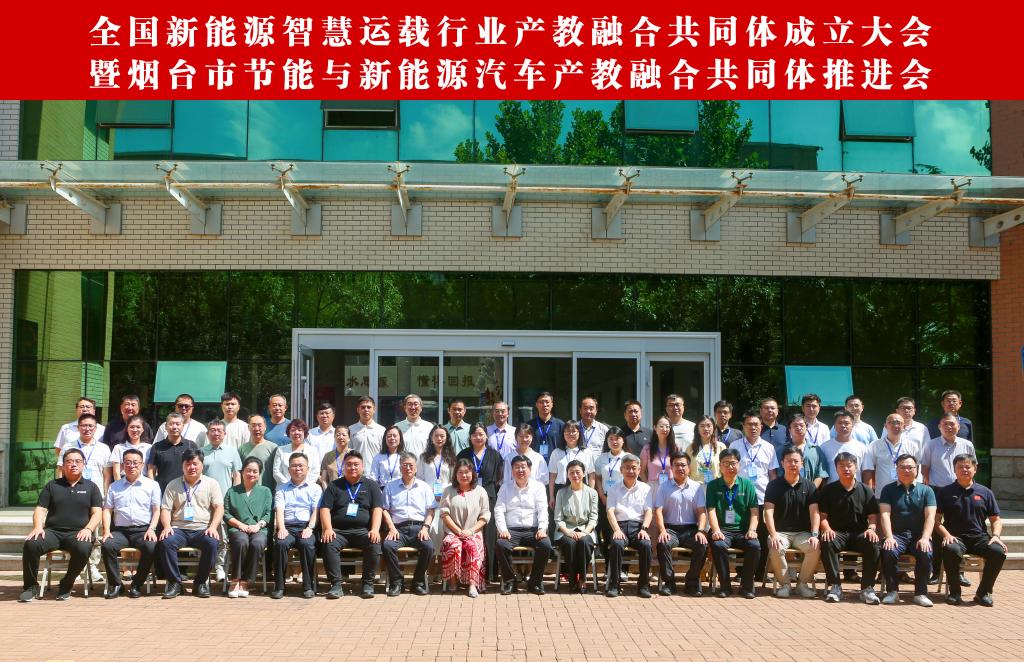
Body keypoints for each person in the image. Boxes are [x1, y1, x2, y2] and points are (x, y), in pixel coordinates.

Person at [19, 448, 102, 603]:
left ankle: (66, 583)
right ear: (63, 466)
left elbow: (97, 513)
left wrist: (88, 529)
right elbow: (40, 509)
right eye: (69, 461)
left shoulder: (91, 487)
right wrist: (38, 527)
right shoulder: (52, 485)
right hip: (53, 532)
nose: (73, 464)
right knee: (31, 544)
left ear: (83, 464)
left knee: (83, 548)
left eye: (77, 461)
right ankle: (30, 587)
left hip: (78, 533)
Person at [935, 454, 1007, 606]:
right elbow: (936, 521)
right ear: (954, 470)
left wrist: (996, 536)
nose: (964, 470)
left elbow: (996, 519)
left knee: (998, 552)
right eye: (960, 467)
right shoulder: (945, 492)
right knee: (951, 550)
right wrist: (946, 535)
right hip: (955, 537)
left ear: (975, 469)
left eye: (968, 467)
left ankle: (983, 593)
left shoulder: (985, 492)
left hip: (979, 537)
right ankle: (954, 593)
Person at [817, 451, 882, 604]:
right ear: (836, 469)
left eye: (849, 465)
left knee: (873, 543)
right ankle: (835, 587)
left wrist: (871, 529)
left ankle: (867, 588)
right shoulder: (828, 490)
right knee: (826, 541)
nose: (846, 469)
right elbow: (822, 516)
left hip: (859, 533)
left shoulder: (866, 490)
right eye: (841, 466)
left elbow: (873, 516)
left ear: (856, 467)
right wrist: (827, 529)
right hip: (837, 533)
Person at [158, 449, 224, 599]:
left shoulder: (211, 483)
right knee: (166, 541)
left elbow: (219, 507)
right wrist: (167, 527)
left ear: (202, 465)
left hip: (202, 529)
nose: (191, 467)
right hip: (178, 529)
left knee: (212, 542)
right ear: (182, 466)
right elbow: (166, 509)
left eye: (195, 463)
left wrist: (213, 527)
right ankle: (175, 583)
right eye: (188, 464)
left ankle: (200, 583)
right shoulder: (173, 484)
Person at [319, 451, 383, 599]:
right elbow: (325, 509)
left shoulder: (372, 485)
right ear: (343, 467)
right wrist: (327, 529)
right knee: (328, 543)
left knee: (374, 544)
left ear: (362, 467)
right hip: (339, 532)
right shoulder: (334, 486)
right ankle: (336, 585)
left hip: (363, 531)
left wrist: (375, 529)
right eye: (349, 464)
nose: (352, 467)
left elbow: (377, 509)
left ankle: (367, 584)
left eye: (356, 464)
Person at [99, 447, 160, 599]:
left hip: (143, 530)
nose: (132, 466)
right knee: (107, 545)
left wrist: (151, 529)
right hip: (120, 531)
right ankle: (116, 584)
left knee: (150, 546)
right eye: (128, 462)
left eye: (135, 462)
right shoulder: (115, 486)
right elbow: (107, 510)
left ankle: (137, 584)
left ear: (142, 464)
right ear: (122, 465)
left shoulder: (152, 485)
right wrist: (106, 531)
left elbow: (156, 510)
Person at [57, 412, 110, 583]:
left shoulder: (103, 448)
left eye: (90, 426)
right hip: (71, 495)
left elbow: (107, 474)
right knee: (70, 530)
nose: (87, 429)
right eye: (84, 425)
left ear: (96, 429)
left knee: (94, 533)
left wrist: (105, 494)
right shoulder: (68, 446)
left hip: (95, 496)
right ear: (78, 427)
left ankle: (93, 566)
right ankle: (74, 566)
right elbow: (60, 470)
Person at [878, 454, 936, 606]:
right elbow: (885, 514)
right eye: (902, 467)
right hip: (897, 535)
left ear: (917, 469)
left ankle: (921, 593)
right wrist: (889, 537)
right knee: (888, 550)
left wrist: (925, 537)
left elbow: (930, 516)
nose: (906, 470)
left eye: (910, 467)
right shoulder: (888, 490)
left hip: (919, 535)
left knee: (926, 552)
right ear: (896, 469)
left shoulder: (927, 490)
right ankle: (892, 592)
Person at [762, 447, 820, 598]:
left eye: (796, 461)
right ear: (782, 463)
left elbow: (814, 513)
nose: (792, 464)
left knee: (815, 546)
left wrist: (814, 534)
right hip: (780, 533)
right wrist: (773, 535)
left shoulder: (809, 486)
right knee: (775, 545)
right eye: (788, 461)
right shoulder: (773, 485)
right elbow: (768, 512)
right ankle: (785, 585)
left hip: (803, 533)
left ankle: (802, 584)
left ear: (802, 463)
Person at [705, 448, 761, 598]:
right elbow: (711, 510)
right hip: (722, 530)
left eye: (733, 463)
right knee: (718, 545)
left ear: (739, 464)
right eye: (726, 463)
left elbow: (754, 511)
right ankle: (725, 586)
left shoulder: (748, 485)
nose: (730, 466)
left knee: (755, 546)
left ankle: (747, 586)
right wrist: (716, 530)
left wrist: (752, 530)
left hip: (743, 531)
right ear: (720, 466)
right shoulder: (713, 485)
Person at [494, 454, 553, 595]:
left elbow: (542, 510)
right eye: (516, 467)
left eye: (523, 467)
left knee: (545, 545)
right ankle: (510, 581)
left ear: (530, 469)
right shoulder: (505, 487)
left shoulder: (538, 487)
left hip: (532, 530)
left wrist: (542, 528)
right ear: (512, 470)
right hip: (511, 530)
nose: (520, 470)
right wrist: (502, 529)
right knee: (501, 544)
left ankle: (535, 582)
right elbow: (498, 510)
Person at [382, 452, 436, 596]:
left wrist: (425, 528)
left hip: (419, 528)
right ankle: (397, 582)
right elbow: (384, 509)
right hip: (398, 529)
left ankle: (417, 582)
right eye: (404, 465)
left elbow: (431, 510)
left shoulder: (424, 487)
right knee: (387, 546)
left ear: (416, 468)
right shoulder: (390, 486)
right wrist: (391, 528)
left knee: (429, 547)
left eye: (411, 465)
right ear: (400, 467)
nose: (408, 468)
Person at [654, 452, 708, 596]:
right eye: (676, 465)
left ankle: (692, 582)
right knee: (663, 543)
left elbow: (702, 512)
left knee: (702, 543)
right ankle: (669, 583)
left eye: (683, 465)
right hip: (670, 529)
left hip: (691, 530)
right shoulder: (663, 487)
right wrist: (662, 531)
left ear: (689, 468)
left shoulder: (697, 487)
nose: (680, 468)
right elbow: (658, 511)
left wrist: (701, 531)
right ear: (671, 468)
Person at [456, 423, 503, 583]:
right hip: (467, 496)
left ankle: (489, 574)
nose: (478, 437)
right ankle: (466, 574)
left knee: (489, 535)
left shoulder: (494, 455)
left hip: (489, 497)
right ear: (470, 437)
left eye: (481, 434)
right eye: (475, 434)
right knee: (468, 531)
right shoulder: (463, 454)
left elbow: (499, 478)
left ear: (486, 436)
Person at [271, 452, 322, 599]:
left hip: (306, 526)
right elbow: (279, 510)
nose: (297, 469)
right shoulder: (281, 488)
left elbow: (316, 511)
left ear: (307, 468)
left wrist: (310, 528)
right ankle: (279, 587)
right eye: (294, 466)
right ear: (288, 469)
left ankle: (308, 586)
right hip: (287, 526)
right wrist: (281, 528)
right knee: (280, 544)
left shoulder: (315, 488)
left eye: (301, 465)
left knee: (307, 544)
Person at [440, 459, 491, 598]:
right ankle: (453, 582)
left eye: (467, 472)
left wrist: (471, 531)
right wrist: (458, 531)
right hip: (453, 532)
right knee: (452, 544)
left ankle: (472, 584)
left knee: (472, 546)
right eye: (460, 472)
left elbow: (485, 515)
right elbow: (444, 514)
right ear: (455, 474)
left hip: (473, 532)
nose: (464, 475)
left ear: (473, 473)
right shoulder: (448, 491)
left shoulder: (480, 491)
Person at [605, 453, 653, 598]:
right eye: (627, 468)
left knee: (646, 545)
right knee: (617, 544)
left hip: (638, 527)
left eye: (633, 468)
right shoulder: (613, 489)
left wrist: (644, 529)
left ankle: (644, 585)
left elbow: (649, 511)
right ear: (621, 470)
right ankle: (614, 585)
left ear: (639, 470)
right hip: (619, 526)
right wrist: (616, 530)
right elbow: (610, 511)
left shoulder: (646, 488)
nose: (630, 471)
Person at [200, 419, 241, 583]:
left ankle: (220, 567)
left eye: (219, 431)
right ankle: (205, 569)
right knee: (205, 535)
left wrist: (235, 497)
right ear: (207, 433)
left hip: (224, 501)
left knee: (223, 537)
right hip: (203, 502)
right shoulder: (201, 452)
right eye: (213, 430)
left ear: (224, 434)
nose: (216, 433)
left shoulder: (232, 451)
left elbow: (236, 476)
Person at [223, 457, 272, 598]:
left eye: (255, 471)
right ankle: (235, 580)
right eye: (248, 470)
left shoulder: (265, 491)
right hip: (237, 528)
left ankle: (245, 580)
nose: (251, 474)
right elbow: (226, 513)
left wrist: (258, 525)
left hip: (258, 528)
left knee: (257, 543)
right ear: (242, 472)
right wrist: (240, 525)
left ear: (259, 474)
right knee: (241, 541)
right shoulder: (232, 491)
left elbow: (268, 513)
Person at [554, 460, 599, 593]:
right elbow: (558, 518)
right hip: (566, 530)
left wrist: (585, 532)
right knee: (570, 543)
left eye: (578, 472)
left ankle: (582, 580)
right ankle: (572, 580)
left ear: (584, 473)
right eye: (571, 472)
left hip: (586, 529)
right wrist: (568, 532)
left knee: (584, 542)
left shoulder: (592, 493)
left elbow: (593, 518)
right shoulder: (561, 492)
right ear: (567, 475)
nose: (575, 475)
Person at [418, 425, 457, 557]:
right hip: (428, 499)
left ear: (446, 438)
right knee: (430, 531)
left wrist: (444, 492)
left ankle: (441, 566)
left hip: (445, 499)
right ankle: (429, 567)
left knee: (442, 532)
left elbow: (453, 479)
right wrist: (430, 492)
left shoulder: (451, 457)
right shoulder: (423, 457)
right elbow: (420, 478)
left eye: (442, 436)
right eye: (436, 436)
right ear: (431, 438)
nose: (439, 439)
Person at [863, 412, 922, 498]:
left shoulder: (912, 446)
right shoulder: (875, 445)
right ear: (885, 426)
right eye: (892, 422)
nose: (896, 425)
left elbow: (917, 469)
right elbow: (868, 470)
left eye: (899, 423)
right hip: (882, 494)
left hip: (906, 494)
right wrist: (869, 493)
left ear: (904, 426)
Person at [728, 411, 779, 504]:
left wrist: (773, 495)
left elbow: (772, 474)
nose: (753, 427)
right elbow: (729, 471)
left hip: (763, 497)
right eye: (749, 424)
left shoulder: (769, 447)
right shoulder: (734, 446)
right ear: (743, 426)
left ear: (761, 426)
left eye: (756, 424)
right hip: (739, 496)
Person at [594, 427, 628, 560]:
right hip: (605, 499)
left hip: (623, 500)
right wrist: (602, 496)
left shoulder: (628, 457)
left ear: (623, 440)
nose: (614, 442)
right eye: (611, 439)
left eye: (617, 438)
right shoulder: (602, 458)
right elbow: (598, 478)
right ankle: (608, 564)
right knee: (606, 532)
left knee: (621, 532)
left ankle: (623, 567)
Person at [147, 412, 200, 493]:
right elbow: (151, 470)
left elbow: (198, 468)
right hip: (163, 491)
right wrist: (154, 490)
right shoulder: (157, 447)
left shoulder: (191, 445)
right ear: (165, 427)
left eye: (178, 424)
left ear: (183, 426)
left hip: (186, 491)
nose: (175, 427)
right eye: (171, 424)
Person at [548, 420, 596, 507]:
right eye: (567, 431)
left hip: (582, 489)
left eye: (574, 431)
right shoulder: (556, 452)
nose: (570, 434)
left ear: (579, 433)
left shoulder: (587, 452)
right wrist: (551, 496)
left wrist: (591, 494)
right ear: (563, 434)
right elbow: (552, 476)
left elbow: (591, 475)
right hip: (561, 489)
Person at [820, 410, 867, 484]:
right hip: (831, 489)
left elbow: (867, 472)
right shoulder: (824, 447)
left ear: (852, 426)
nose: (843, 426)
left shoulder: (862, 447)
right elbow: (821, 473)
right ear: (834, 426)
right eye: (840, 423)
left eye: (846, 423)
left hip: (855, 489)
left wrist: (866, 490)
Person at [272, 419, 321, 488]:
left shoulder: (313, 451)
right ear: (288, 433)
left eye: (300, 430)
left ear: (304, 433)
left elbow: (315, 472)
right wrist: (289, 485)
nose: (296, 432)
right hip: (285, 488)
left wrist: (303, 485)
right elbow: (276, 471)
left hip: (307, 488)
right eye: (293, 430)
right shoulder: (281, 450)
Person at [785, 414, 828, 488]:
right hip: (787, 491)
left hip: (810, 491)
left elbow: (820, 474)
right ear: (789, 430)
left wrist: (811, 490)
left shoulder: (816, 450)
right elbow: (779, 473)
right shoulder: (782, 449)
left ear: (806, 428)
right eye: (795, 426)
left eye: (801, 425)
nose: (799, 428)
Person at [238, 415, 277, 491]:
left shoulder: (273, 448)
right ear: (248, 427)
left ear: (265, 427)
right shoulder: (242, 449)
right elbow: (238, 473)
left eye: (259, 425)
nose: (256, 429)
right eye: (253, 425)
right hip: (246, 492)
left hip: (267, 492)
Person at [110, 414, 152, 482]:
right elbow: (116, 473)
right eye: (132, 427)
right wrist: (119, 486)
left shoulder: (149, 448)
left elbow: (151, 470)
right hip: (123, 482)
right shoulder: (118, 448)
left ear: (143, 429)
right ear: (127, 429)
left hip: (144, 483)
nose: (135, 430)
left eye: (138, 427)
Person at [686, 415, 726, 485]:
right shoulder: (690, 448)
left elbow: (725, 470)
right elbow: (686, 470)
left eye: (709, 425)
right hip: (695, 487)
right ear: (697, 429)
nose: (706, 429)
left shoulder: (721, 447)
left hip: (715, 487)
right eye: (702, 426)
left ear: (713, 428)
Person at [640, 416, 678, 488]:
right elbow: (642, 471)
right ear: (655, 428)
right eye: (661, 426)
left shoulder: (675, 448)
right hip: (653, 487)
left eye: (667, 426)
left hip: (671, 486)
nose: (664, 429)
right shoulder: (647, 448)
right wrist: (648, 485)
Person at [528, 391, 564, 463]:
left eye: (547, 402)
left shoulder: (560, 425)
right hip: (534, 464)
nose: (545, 405)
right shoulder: (529, 426)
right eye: (541, 402)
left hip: (555, 464)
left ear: (552, 404)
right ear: (536, 405)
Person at [758, 397, 788, 463]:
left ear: (777, 411)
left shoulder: (785, 430)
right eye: (766, 408)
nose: (770, 410)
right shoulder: (755, 430)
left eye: (772, 408)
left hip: (782, 468)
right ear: (761, 411)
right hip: (761, 467)